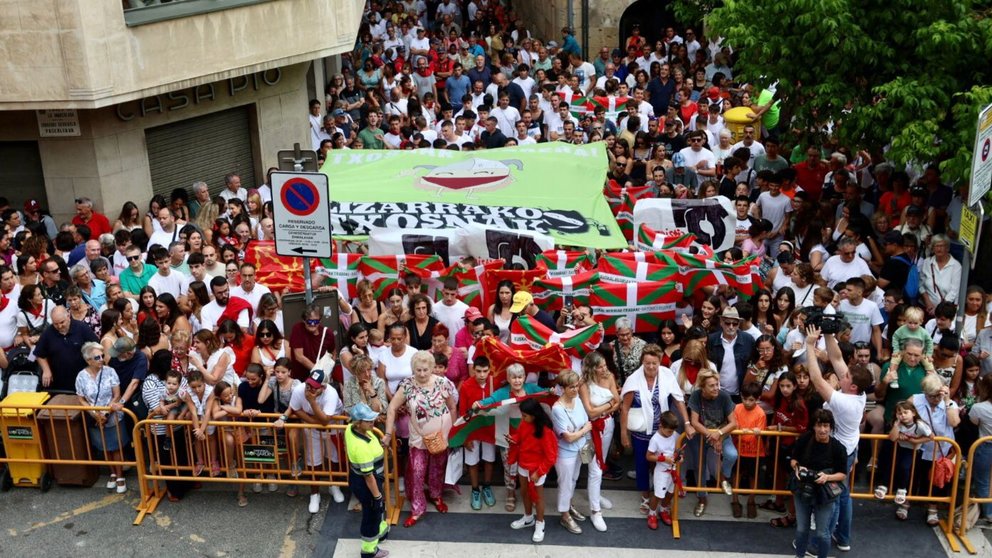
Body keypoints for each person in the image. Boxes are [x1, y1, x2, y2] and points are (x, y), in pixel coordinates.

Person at [804, 325, 871, 553]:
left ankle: (819, 544)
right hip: (849, 449)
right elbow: (836, 357)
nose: (843, 375)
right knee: (844, 495)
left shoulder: (845, 402)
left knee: (831, 498)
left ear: (851, 386)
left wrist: (810, 345)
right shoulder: (858, 393)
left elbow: (815, 377)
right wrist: (830, 333)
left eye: (847, 376)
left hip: (837, 452)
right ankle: (843, 539)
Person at [382, 350, 455, 528]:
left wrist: (452, 433)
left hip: (440, 437)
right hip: (418, 439)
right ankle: (417, 509)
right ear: (413, 369)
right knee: (416, 471)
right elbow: (391, 408)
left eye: (425, 370)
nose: (422, 374)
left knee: (437, 469)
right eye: (418, 370)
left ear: (432, 368)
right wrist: (388, 433)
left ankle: (436, 496)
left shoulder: (443, 383)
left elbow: (452, 407)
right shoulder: (407, 385)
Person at [620, 343, 692, 513]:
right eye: (647, 363)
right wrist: (624, 433)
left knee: (663, 464)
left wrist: (687, 423)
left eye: (654, 363)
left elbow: (678, 399)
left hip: (663, 432)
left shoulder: (667, 375)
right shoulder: (633, 379)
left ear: (660, 362)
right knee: (642, 464)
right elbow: (625, 408)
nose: (651, 367)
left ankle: (662, 496)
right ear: (642, 363)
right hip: (641, 432)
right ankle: (646, 497)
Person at [279, 368, 346, 513]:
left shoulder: (331, 394)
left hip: (333, 428)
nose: (309, 389)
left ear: (323, 387)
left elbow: (325, 420)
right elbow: (296, 409)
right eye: (309, 385)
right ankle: (314, 494)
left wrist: (312, 402)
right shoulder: (299, 389)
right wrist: (312, 422)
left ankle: (334, 485)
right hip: (311, 428)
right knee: (313, 460)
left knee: (334, 458)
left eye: (314, 387)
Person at [790, 409, 850, 558]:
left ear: (831, 427)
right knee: (802, 529)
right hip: (803, 489)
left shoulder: (838, 447)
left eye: (826, 426)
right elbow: (793, 459)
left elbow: (842, 474)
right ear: (814, 426)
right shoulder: (805, 439)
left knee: (822, 533)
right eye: (819, 425)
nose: (823, 430)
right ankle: (800, 555)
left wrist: (827, 477)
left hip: (824, 494)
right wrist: (798, 468)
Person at [552, 370, 605, 534]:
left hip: (581, 447)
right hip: (566, 452)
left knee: (574, 479)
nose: (575, 390)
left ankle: (568, 505)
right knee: (565, 483)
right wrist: (582, 430)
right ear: (562, 388)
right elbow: (568, 437)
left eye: (576, 386)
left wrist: (579, 432)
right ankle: (564, 515)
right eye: (571, 387)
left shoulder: (578, 400)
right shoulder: (557, 409)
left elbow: (581, 425)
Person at [76, 341, 129, 493]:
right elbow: (81, 399)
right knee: (105, 447)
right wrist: (94, 413)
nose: (101, 359)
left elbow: (117, 394)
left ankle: (120, 476)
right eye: (97, 357)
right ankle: (112, 472)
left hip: (111, 415)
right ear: (88, 360)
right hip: (94, 417)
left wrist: (105, 413)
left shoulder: (110, 371)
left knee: (115, 446)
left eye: (102, 356)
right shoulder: (81, 376)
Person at [686, 369, 739, 517]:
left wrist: (719, 435)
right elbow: (694, 422)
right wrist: (711, 435)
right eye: (712, 385)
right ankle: (702, 499)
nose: (716, 388)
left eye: (717, 384)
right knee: (700, 466)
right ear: (703, 387)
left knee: (732, 455)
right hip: (703, 436)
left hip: (722, 433)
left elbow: (733, 423)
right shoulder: (696, 396)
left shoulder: (724, 396)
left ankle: (724, 477)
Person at [506, 397, 558, 543]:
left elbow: (551, 456)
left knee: (538, 497)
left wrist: (539, 472)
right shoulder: (525, 423)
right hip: (523, 464)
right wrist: (513, 439)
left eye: (524, 415)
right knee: (524, 491)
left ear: (534, 415)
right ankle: (528, 517)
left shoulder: (546, 431)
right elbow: (520, 436)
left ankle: (540, 523)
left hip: (536, 468)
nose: (522, 418)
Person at [911, 374, 960, 526]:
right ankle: (906, 504)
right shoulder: (915, 400)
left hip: (941, 450)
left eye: (938, 395)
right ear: (925, 393)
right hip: (919, 447)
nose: (935, 399)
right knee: (914, 476)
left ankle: (933, 509)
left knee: (938, 480)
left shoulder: (949, 403)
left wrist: (946, 401)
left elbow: (954, 422)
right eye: (932, 396)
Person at [346, 402, 391, 558]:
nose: (373, 422)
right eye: (369, 421)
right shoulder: (360, 447)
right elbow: (368, 477)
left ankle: (382, 531)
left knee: (376, 509)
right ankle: (369, 549)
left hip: (360, 479)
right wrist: (377, 496)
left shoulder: (350, 429)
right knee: (371, 513)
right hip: (367, 484)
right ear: (359, 423)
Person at [645, 411, 680, 529]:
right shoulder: (655, 439)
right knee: (659, 494)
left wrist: (680, 456)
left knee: (670, 492)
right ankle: (652, 513)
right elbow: (649, 456)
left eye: (672, 431)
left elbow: (679, 449)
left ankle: (663, 509)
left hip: (673, 469)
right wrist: (663, 459)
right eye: (669, 431)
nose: (671, 434)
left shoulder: (675, 435)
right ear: (661, 426)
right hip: (661, 471)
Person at [967, 374, 992, 524]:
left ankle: (989, 512)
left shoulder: (978, 408)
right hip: (985, 445)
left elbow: (973, 422)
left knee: (982, 481)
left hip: (985, 446)